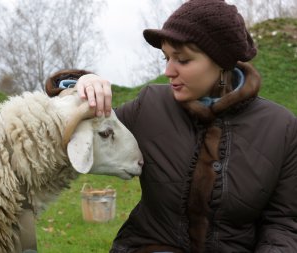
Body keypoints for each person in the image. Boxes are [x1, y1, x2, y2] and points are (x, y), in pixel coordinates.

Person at [44, 0, 297, 252]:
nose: (167, 70)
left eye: (182, 60)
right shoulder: (150, 105)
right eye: (166, 58)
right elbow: (73, 123)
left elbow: (284, 222)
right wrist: (81, 84)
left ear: (222, 62)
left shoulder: (282, 129)